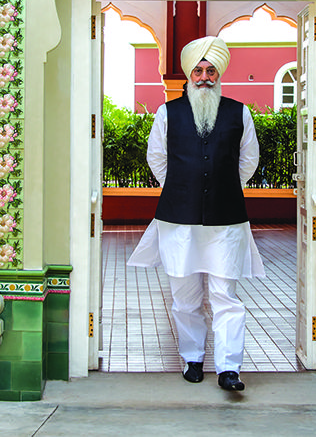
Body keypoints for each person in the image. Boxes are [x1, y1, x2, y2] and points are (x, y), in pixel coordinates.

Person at [128, 35, 265, 391]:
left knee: (225, 296)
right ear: (189, 75)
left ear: (219, 74)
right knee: (185, 296)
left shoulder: (239, 112)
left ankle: (229, 368)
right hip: (178, 220)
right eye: (198, 71)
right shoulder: (167, 112)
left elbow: (248, 161)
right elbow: (157, 158)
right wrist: (182, 187)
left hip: (226, 221)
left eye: (211, 70)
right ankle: (192, 358)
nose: (205, 77)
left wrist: (221, 186)